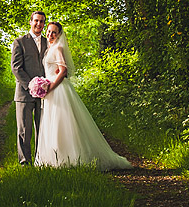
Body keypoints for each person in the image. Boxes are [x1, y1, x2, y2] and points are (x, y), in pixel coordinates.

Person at [34, 21, 133, 171]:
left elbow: (63, 71)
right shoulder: (50, 48)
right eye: (49, 31)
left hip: (58, 89)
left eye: (54, 32)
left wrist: (51, 87)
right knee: (53, 124)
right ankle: (56, 158)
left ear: (59, 34)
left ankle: (71, 157)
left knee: (63, 124)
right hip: (51, 90)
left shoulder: (58, 48)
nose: (50, 34)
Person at [10, 10, 47, 165]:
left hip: (45, 93)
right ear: (30, 22)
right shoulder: (19, 42)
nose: (39, 24)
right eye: (36, 21)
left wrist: (44, 87)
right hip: (24, 93)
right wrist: (31, 86)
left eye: (42, 22)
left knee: (43, 128)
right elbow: (16, 68)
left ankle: (40, 159)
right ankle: (25, 162)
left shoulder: (48, 42)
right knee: (25, 130)